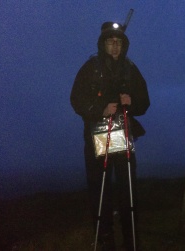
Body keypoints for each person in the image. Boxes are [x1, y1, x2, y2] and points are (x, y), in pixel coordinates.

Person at [70, 21, 150, 251]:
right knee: (99, 190)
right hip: (97, 138)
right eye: (110, 42)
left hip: (123, 136)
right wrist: (100, 109)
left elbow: (145, 101)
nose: (115, 46)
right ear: (102, 44)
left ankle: (132, 242)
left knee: (128, 190)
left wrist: (131, 102)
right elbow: (76, 99)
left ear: (123, 45)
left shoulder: (130, 69)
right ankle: (105, 241)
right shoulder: (91, 67)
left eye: (118, 42)